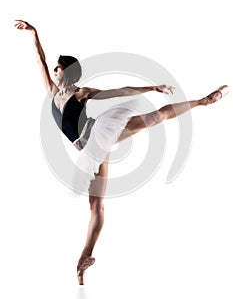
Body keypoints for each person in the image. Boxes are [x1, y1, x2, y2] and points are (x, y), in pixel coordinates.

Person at [14, 19, 229, 285]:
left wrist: (152, 88)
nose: (53, 70)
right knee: (96, 206)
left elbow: (118, 91)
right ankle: (84, 259)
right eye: (54, 67)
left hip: (98, 132)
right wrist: (34, 34)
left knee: (157, 116)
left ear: (66, 72)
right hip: (90, 149)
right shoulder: (51, 91)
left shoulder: (81, 92)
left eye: (58, 67)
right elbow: (40, 61)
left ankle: (204, 101)